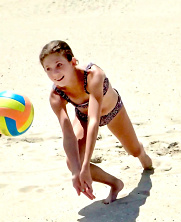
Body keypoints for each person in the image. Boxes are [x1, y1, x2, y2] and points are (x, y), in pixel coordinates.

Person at [39, 40, 152, 204]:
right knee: (72, 162)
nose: (54, 73)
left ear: (73, 62)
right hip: (83, 116)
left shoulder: (93, 75)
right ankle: (115, 184)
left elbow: (94, 120)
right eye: (48, 69)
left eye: (59, 65)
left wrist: (86, 166)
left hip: (113, 111)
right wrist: (77, 172)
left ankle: (143, 156)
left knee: (133, 151)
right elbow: (68, 133)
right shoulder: (56, 96)